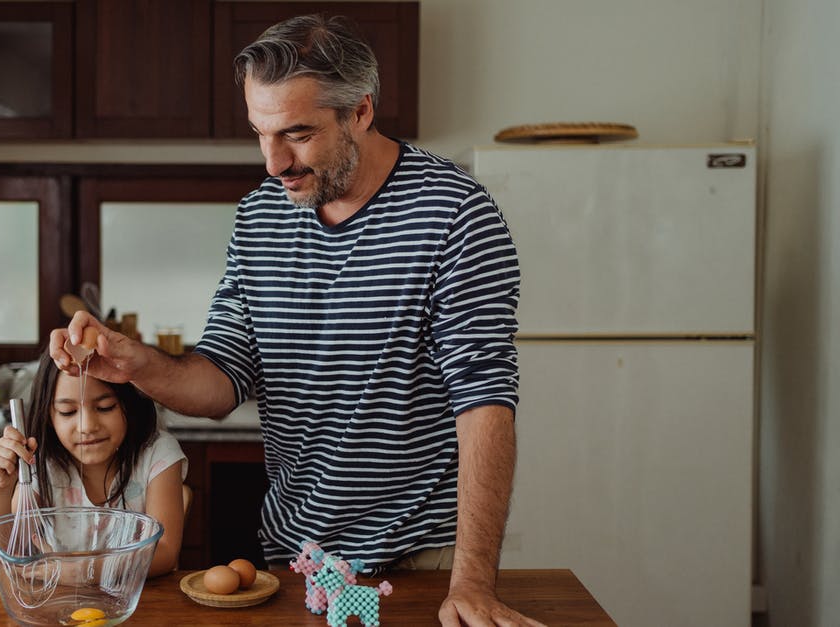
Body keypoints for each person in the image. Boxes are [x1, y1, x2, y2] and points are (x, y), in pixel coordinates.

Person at [52, 14, 541, 625]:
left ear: (360, 111)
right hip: (296, 561)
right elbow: (219, 382)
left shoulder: (455, 213)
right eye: (260, 133)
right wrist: (135, 363)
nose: (273, 162)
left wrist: (472, 580)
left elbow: (485, 402)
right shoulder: (261, 215)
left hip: (421, 564)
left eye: (298, 134)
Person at [0, 353, 187, 577]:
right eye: (68, 412)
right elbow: (0, 556)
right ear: (49, 416)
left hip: (137, 603)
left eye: (105, 407)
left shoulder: (157, 453)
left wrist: (85, 573)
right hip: (60, 605)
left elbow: (164, 552)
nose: (86, 426)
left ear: (130, 404)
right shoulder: (40, 463)